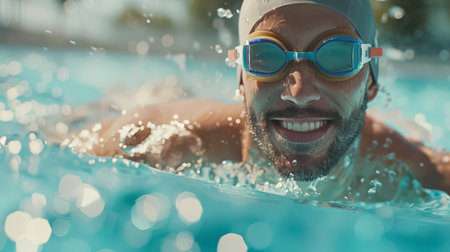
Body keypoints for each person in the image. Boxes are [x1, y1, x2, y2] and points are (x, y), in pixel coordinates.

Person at [67, 0, 450, 201]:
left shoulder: (415, 168)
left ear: (370, 81)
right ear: (241, 79)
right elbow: (61, 139)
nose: (300, 92)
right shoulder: (168, 138)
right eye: (267, 57)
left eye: (337, 58)